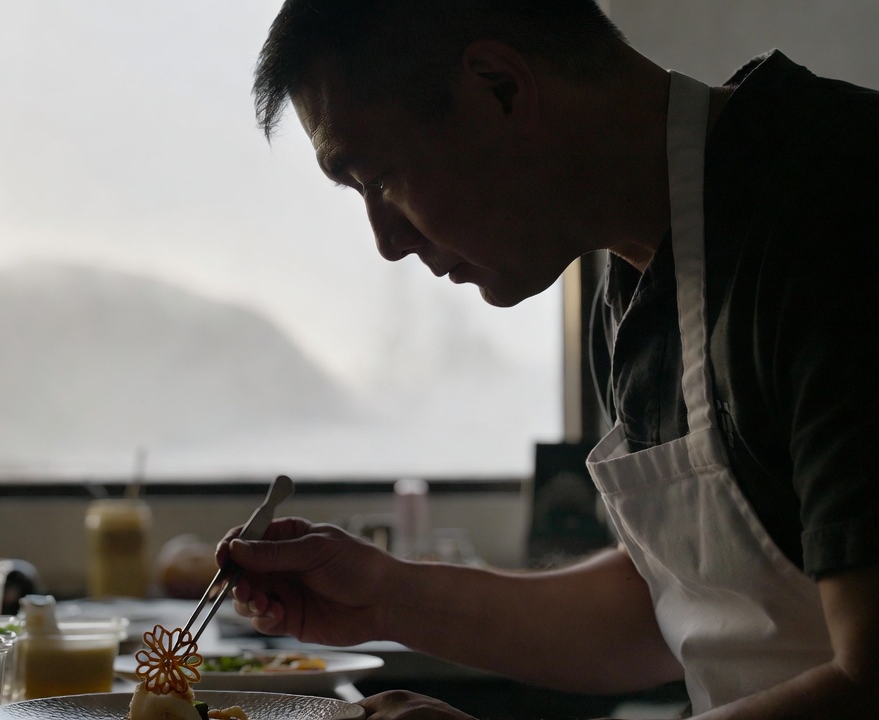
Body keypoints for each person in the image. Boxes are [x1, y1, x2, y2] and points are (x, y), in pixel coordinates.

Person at [217, 1, 879, 718]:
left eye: (378, 179)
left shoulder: (839, 209)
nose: (386, 242)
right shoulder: (632, 287)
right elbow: (679, 601)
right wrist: (386, 595)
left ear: (498, 87)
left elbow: (869, 677)